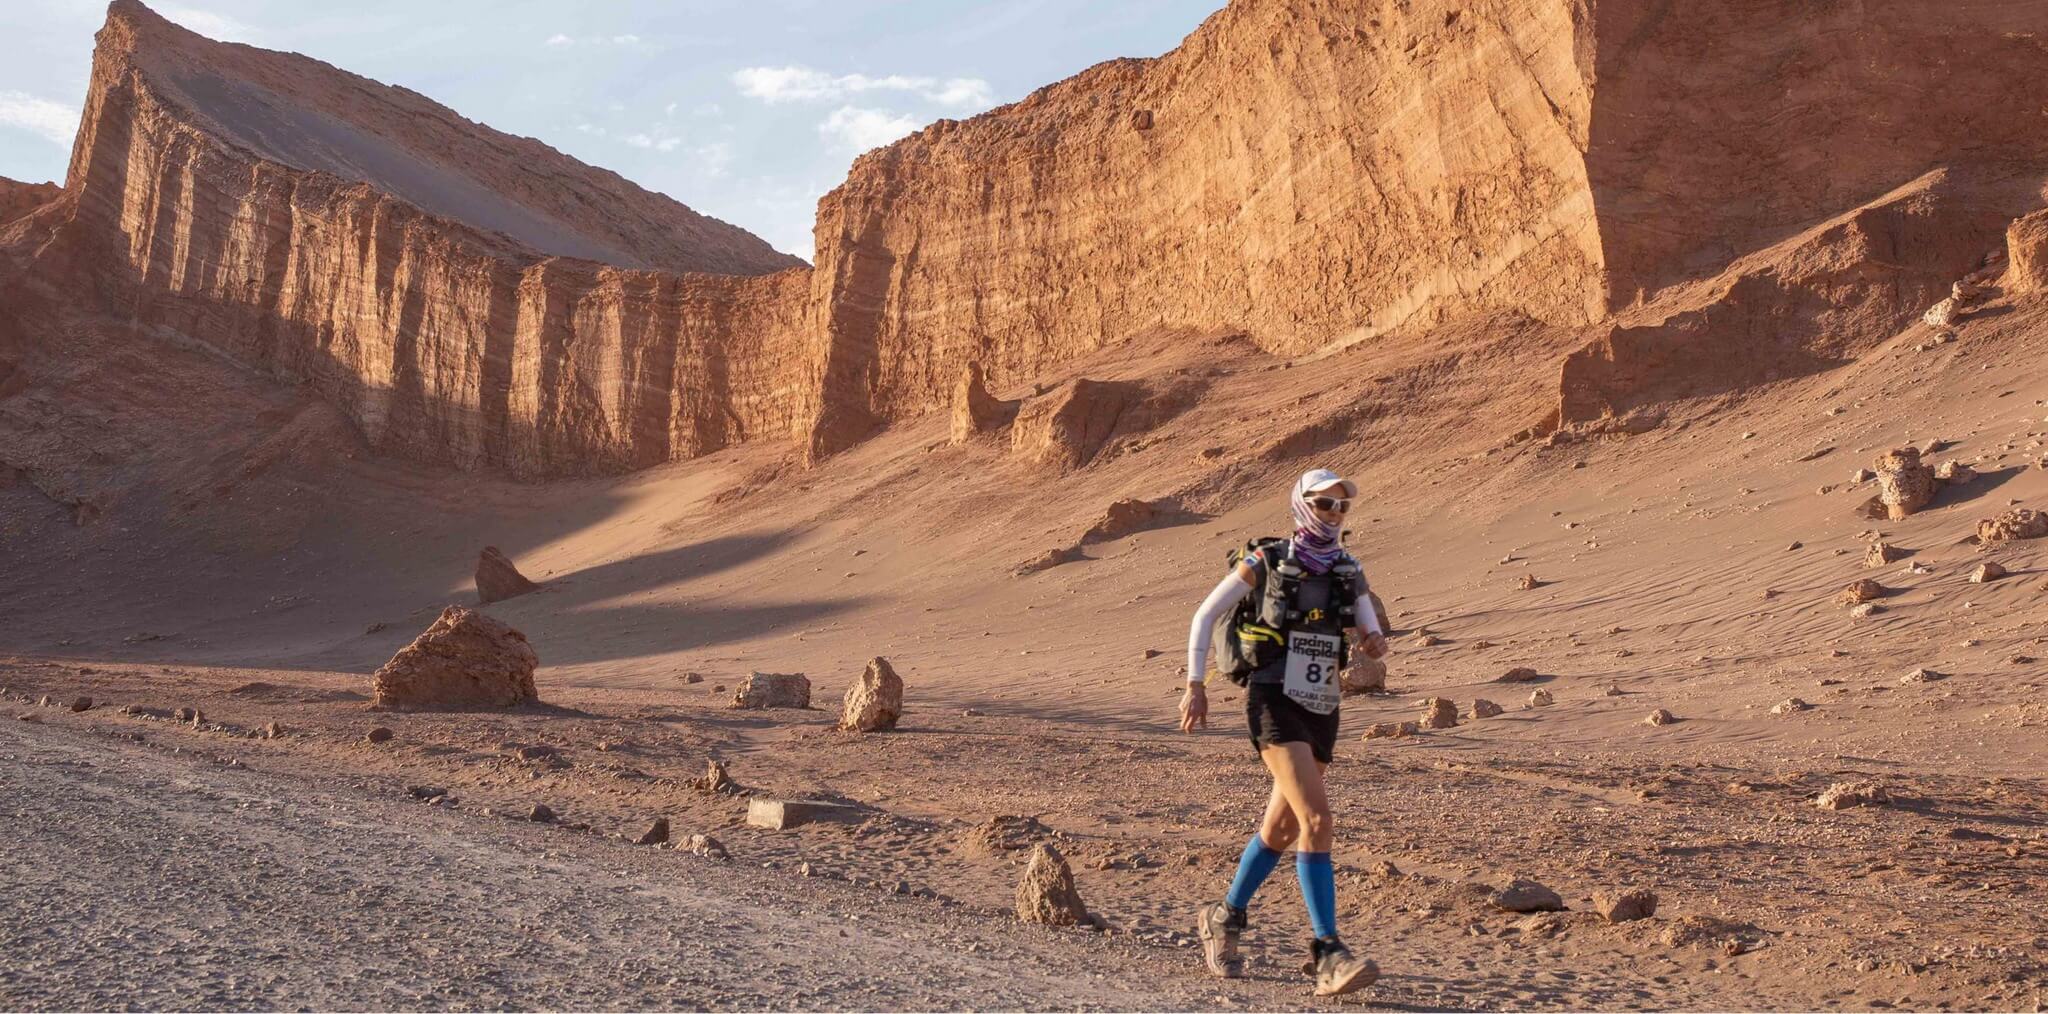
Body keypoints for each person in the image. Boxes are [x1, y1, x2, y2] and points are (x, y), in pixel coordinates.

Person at [1178, 468, 1388, 996]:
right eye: (1323, 503)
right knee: (1317, 818)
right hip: (1272, 700)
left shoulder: (1347, 569)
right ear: (1302, 503)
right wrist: (1195, 684)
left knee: (1281, 831)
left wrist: (1373, 642)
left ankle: (1224, 917)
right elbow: (1205, 615)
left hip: (1322, 706)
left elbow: (1370, 626)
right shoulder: (1267, 561)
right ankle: (1327, 952)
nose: (1333, 514)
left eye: (1341, 507)